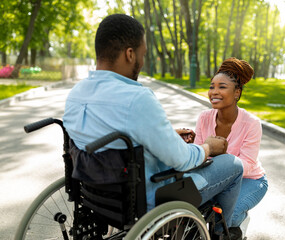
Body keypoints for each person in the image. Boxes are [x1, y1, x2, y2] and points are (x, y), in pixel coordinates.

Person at [62, 14, 244, 237]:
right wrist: (208, 147)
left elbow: (110, 140)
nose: (142, 61)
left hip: (95, 193)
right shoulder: (137, 98)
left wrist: (167, 135)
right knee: (233, 164)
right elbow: (182, 160)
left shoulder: (75, 95)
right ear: (130, 54)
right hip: (150, 198)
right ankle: (221, 232)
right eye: (142, 54)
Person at [194, 57, 268, 238]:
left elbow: (248, 164)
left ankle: (240, 225)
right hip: (218, 176)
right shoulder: (204, 117)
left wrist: (221, 154)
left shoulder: (251, 123)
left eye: (222, 87)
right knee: (203, 214)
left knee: (227, 218)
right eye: (212, 86)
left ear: (237, 92)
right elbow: (199, 153)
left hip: (251, 180)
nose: (214, 92)